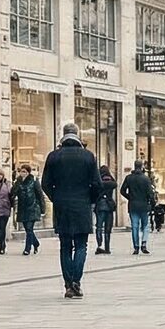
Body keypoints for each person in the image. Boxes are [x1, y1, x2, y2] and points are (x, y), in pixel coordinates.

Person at [40, 121, 99, 298]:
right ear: (77, 135)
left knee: (65, 246)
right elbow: (97, 184)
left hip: (62, 206)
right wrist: (90, 200)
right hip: (82, 205)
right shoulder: (88, 156)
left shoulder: (54, 156)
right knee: (81, 245)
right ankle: (76, 281)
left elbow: (45, 183)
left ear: (63, 135)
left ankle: (68, 284)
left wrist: (55, 198)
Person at [121, 160, 155, 254]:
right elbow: (150, 193)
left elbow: (122, 190)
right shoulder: (146, 179)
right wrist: (152, 203)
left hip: (133, 205)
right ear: (142, 166)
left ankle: (136, 247)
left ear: (134, 166)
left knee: (135, 226)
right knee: (145, 226)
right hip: (144, 205)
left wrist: (130, 197)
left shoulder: (129, 178)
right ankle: (144, 243)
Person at [14, 163, 45, 255]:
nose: (22, 173)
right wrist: (17, 182)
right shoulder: (18, 181)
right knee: (27, 229)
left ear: (28, 172)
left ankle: (27, 249)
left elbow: (40, 195)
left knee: (29, 228)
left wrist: (42, 209)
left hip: (33, 208)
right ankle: (36, 243)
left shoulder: (34, 181)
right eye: (20, 171)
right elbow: (13, 192)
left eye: (24, 171)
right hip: (22, 208)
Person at [93, 164, 118, 254]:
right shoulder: (111, 182)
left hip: (100, 205)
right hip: (109, 206)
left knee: (99, 227)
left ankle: (99, 245)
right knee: (108, 228)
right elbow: (115, 184)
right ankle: (107, 248)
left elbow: (93, 189)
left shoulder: (98, 182)